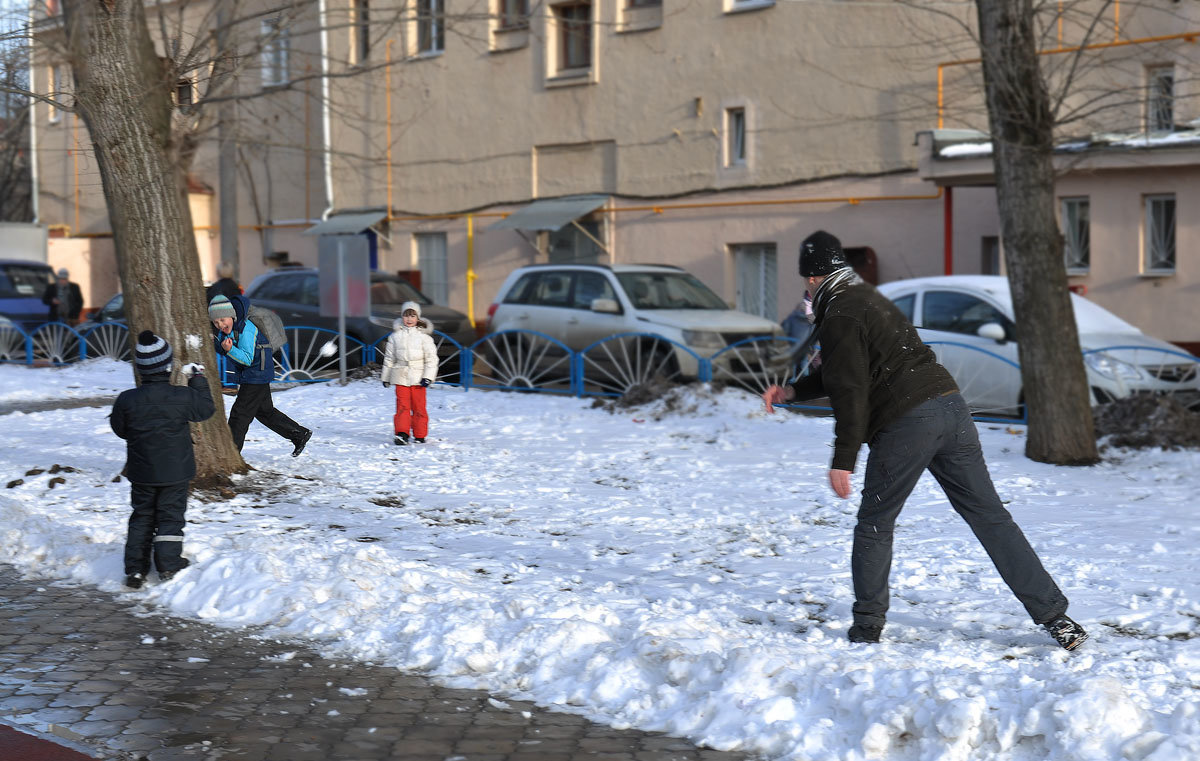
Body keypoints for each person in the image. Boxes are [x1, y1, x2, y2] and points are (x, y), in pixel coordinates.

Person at [763, 230, 1088, 651]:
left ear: (811, 278)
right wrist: (792, 392)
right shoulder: (867, 299)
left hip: (907, 420)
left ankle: (866, 629)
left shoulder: (840, 311)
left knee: (874, 523)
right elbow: (845, 370)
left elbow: (850, 388)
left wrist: (843, 458)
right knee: (990, 517)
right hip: (951, 407)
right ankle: (1056, 618)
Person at [110, 331, 215, 589]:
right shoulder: (182, 396)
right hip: (175, 470)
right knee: (170, 516)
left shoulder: (127, 399)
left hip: (141, 470)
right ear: (168, 367)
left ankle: (135, 570)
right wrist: (197, 379)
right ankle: (168, 565)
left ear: (141, 369)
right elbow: (206, 408)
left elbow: (120, 428)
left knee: (142, 515)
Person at [208, 294, 312, 457]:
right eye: (216, 322)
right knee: (265, 412)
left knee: (239, 414)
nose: (220, 325)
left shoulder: (246, 329)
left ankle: (232, 453)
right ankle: (299, 434)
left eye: (222, 320)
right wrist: (219, 345)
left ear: (232, 315)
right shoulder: (232, 328)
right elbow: (226, 348)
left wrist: (229, 350)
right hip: (255, 374)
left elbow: (247, 359)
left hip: (256, 373)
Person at [381, 301, 438, 445]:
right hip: (400, 375)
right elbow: (389, 358)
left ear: (418, 318)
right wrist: (386, 377)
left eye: (413, 316)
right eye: (406, 316)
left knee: (419, 407)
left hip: (419, 377)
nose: (409, 319)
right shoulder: (395, 337)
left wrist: (428, 376)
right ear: (402, 317)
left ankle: (420, 434)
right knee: (402, 407)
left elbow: (431, 359)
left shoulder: (424, 338)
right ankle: (402, 433)